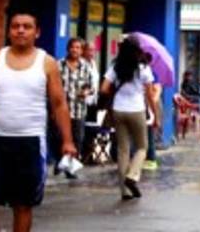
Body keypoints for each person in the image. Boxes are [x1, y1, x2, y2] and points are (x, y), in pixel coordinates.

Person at [0, 11, 78, 232]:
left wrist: (68, 141)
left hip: (30, 142)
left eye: (27, 26)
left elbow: (59, 104)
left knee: (22, 204)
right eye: (15, 26)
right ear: (9, 31)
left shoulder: (47, 63)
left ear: (37, 32)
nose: (20, 30)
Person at [101, 35, 158, 200]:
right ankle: (132, 176)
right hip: (136, 110)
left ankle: (124, 192)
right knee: (142, 147)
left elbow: (104, 89)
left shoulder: (115, 66)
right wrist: (155, 114)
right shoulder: (143, 68)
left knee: (122, 150)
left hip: (118, 110)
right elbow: (150, 94)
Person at [56, 37, 94, 178]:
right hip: (62, 110)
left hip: (79, 110)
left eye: (78, 48)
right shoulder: (59, 65)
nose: (75, 50)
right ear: (68, 49)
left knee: (77, 139)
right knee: (60, 138)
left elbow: (91, 87)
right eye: (72, 47)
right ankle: (60, 161)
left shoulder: (86, 66)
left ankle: (69, 167)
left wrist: (86, 92)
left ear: (81, 51)